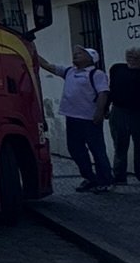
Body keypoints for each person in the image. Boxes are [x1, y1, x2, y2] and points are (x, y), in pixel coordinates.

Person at [37, 46, 112, 191]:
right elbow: (48, 66)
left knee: (97, 150)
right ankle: (89, 177)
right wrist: (33, 51)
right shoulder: (69, 71)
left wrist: (99, 112)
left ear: (91, 58)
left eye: (80, 54)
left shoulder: (96, 74)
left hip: (89, 119)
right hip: (72, 117)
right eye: (76, 53)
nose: (76, 55)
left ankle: (105, 180)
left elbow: (103, 93)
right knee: (75, 149)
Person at [109, 51, 140, 184]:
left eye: (136, 57)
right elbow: (111, 88)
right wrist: (105, 108)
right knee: (120, 144)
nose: (132, 60)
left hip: (137, 112)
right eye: (130, 57)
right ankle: (119, 175)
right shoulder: (117, 68)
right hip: (119, 110)